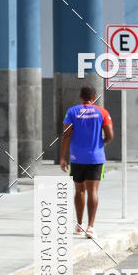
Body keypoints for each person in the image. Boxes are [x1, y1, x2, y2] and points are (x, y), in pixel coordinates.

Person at [60, 85, 114, 238]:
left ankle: (79, 224)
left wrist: (63, 157)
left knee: (79, 190)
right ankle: (90, 227)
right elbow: (110, 135)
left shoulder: (72, 112)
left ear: (80, 96)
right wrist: (99, 143)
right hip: (95, 158)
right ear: (94, 97)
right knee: (93, 191)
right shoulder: (102, 112)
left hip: (77, 158)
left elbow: (66, 135)